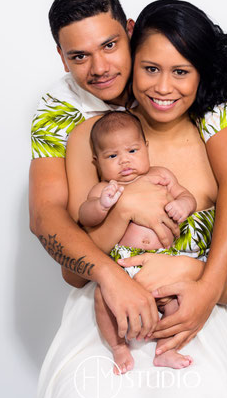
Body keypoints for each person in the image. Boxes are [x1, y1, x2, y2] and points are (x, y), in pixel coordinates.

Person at [32, 0, 227, 398]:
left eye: (109, 45)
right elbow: (59, 240)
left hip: (187, 320)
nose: (163, 86)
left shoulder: (217, 128)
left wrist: (194, 274)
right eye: (151, 68)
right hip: (105, 317)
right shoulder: (87, 134)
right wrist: (122, 212)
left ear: (128, 35)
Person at [79, 111, 198, 373]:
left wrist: (183, 204)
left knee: (176, 303)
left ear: (146, 147)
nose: (125, 161)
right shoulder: (105, 188)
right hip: (124, 265)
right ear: (97, 161)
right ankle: (119, 347)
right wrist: (102, 205)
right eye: (112, 156)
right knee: (101, 298)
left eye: (132, 151)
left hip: (162, 263)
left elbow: (187, 196)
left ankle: (166, 350)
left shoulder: (161, 175)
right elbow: (84, 216)